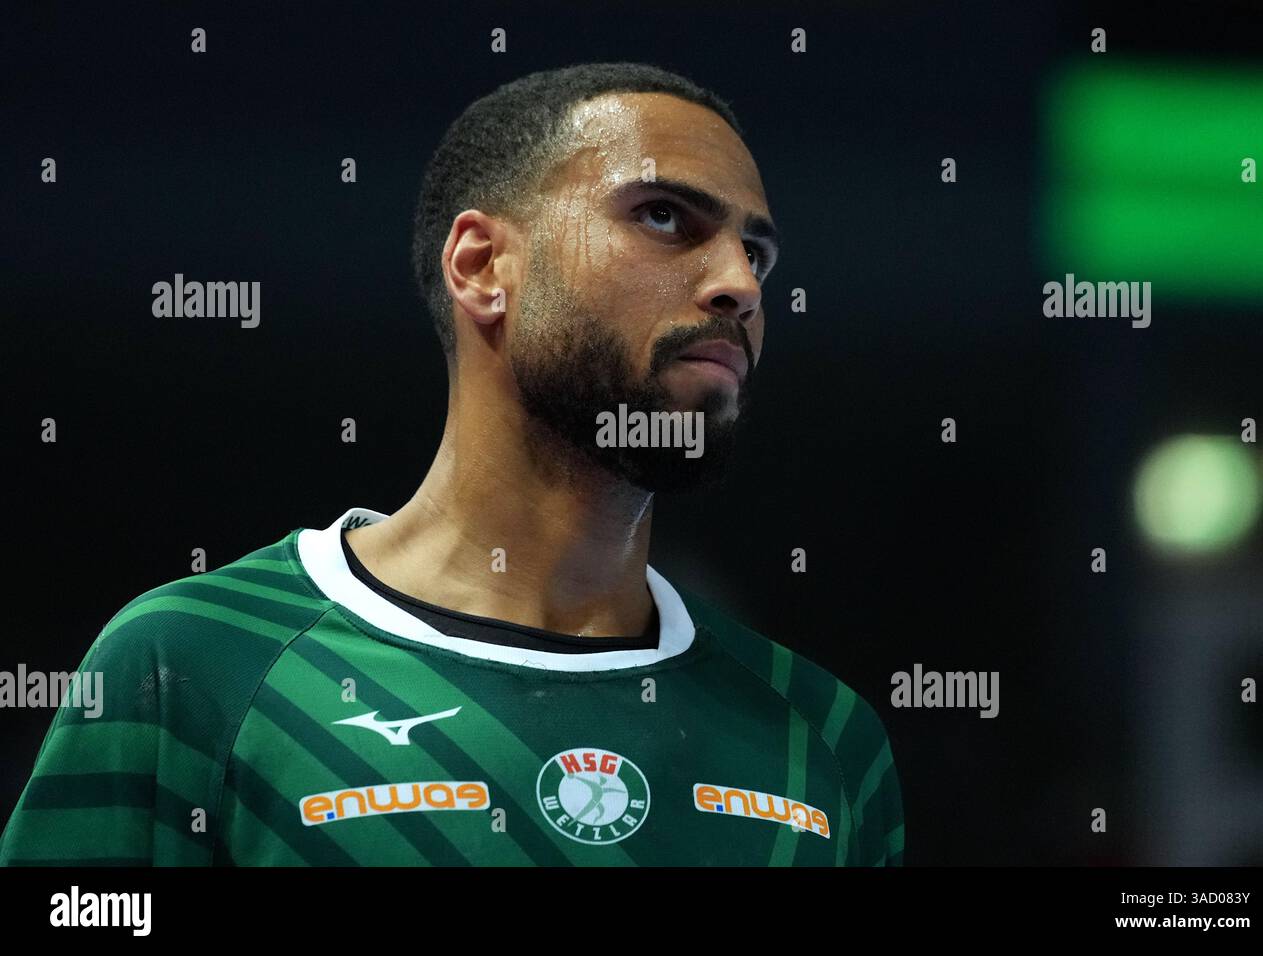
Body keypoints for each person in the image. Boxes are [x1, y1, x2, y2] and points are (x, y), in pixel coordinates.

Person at [0, 62, 902, 866]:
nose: (740, 283)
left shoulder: (820, 737)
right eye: (664, 217)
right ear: (481, 266)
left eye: (757, 251)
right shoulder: (189, 665)